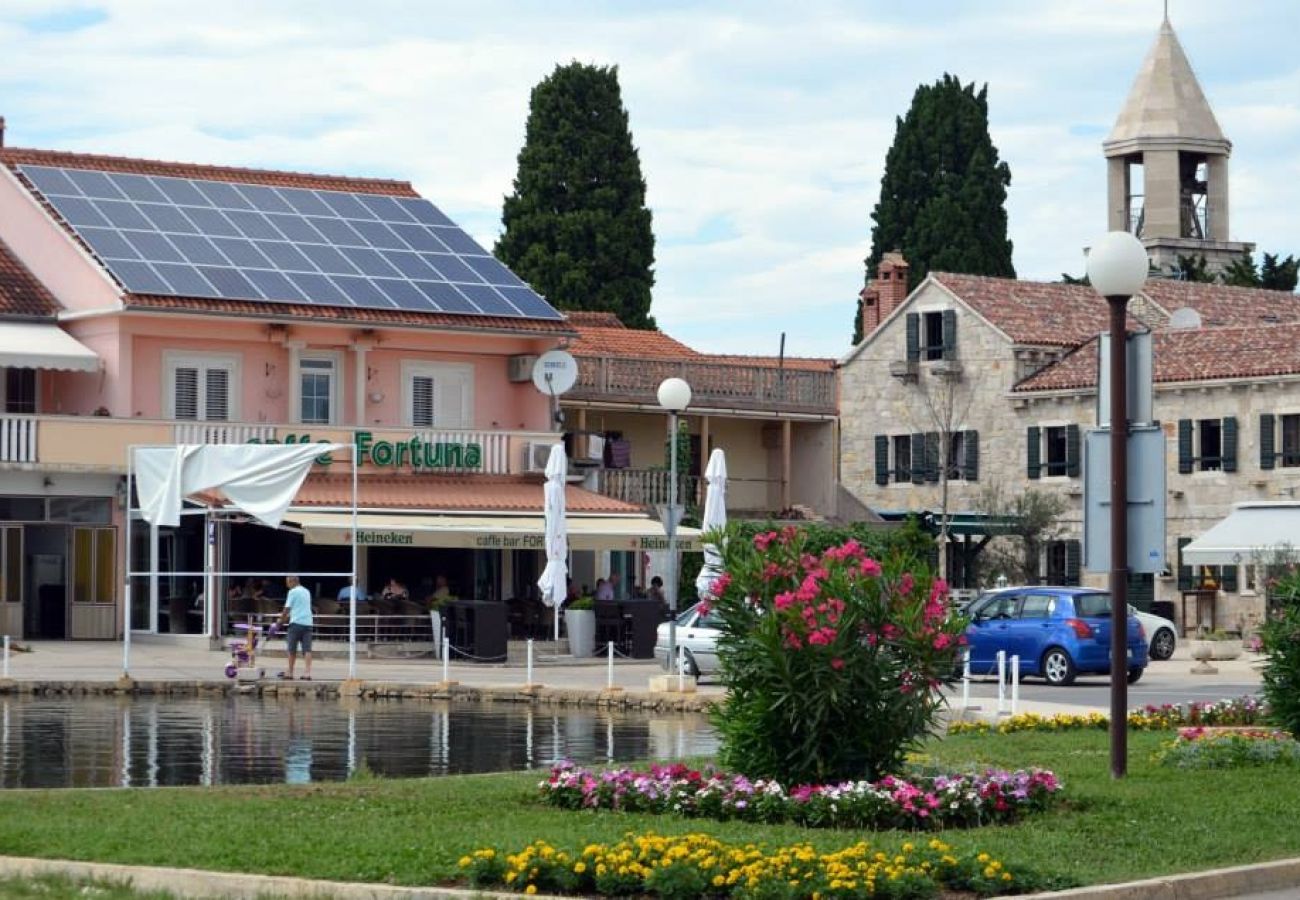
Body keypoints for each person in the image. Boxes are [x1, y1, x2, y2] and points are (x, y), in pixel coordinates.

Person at [277, 575, 313, 681]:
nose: (287, 585)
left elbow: (287, 608)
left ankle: (290, 672)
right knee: (307, 649)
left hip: (296, 623)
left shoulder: (292, 592)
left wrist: (281, 620)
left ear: (292, 582)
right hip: (308, 623)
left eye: (287, 583)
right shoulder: (307, 591)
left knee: (291, 649)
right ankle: (307, 673)